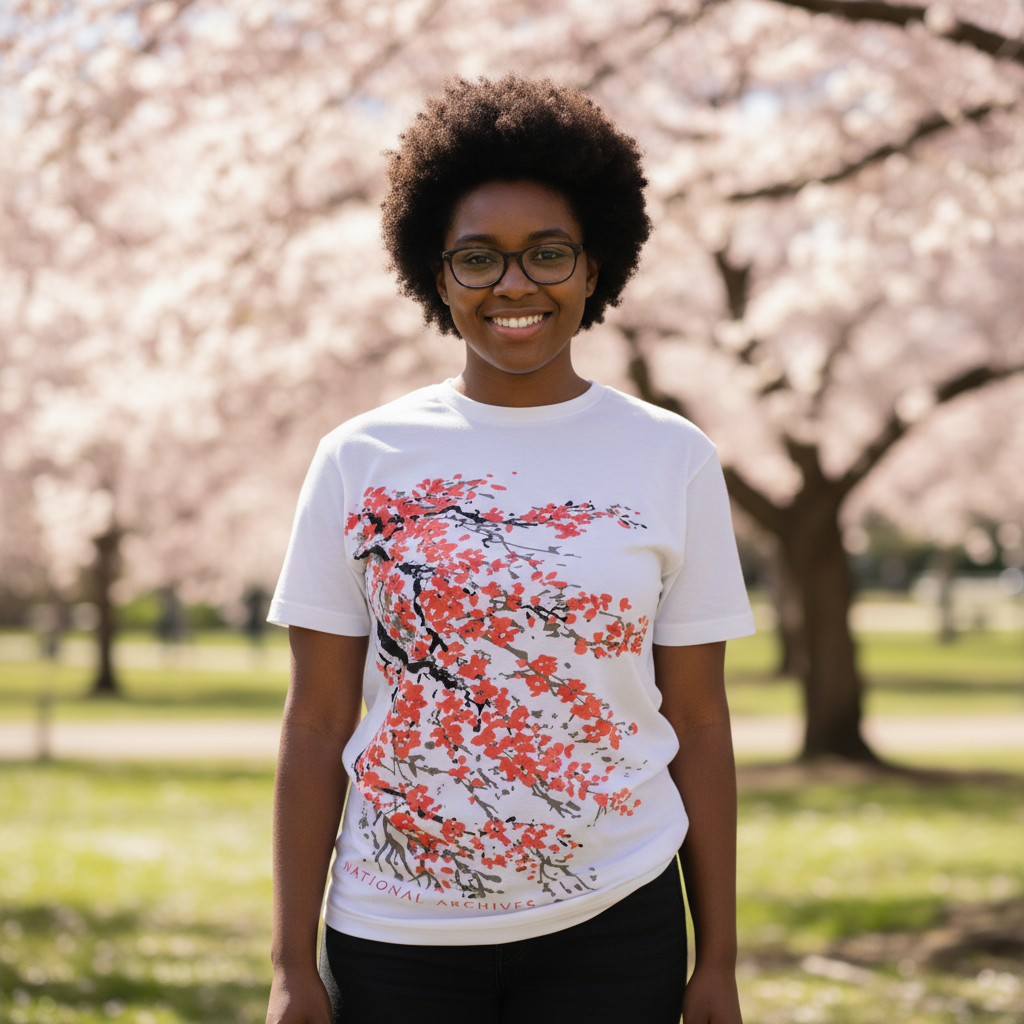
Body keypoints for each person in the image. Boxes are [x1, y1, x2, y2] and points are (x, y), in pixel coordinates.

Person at [265, 74, 755, 1024]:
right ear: (436, 274)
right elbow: (317, 722)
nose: (514, 285)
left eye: (548, 254)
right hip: (394, 934)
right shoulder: (359, 458)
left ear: (594, 267)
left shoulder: (672, 455)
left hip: (617, 920)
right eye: (478, 259)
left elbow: (698, 719)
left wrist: (720, 959)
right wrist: (291, 966)